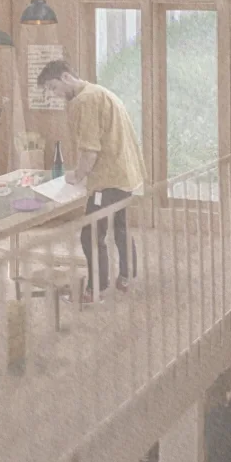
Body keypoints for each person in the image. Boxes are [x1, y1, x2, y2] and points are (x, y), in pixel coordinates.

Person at [37, 60, 145, 301]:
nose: (55, 95)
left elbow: (90, 150)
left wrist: (77, 175)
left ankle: (97, 289)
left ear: (66, 77)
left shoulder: (84, 101)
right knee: (120, 228)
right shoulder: (100, 92)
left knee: (91, 235)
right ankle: (127, 276)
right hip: (125, 174)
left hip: (107, 179)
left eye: (54, 88)